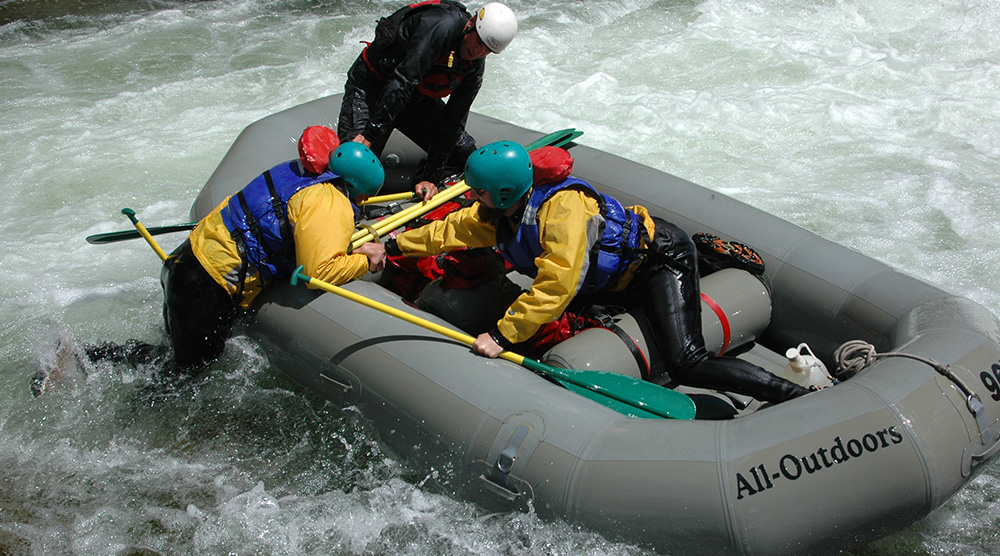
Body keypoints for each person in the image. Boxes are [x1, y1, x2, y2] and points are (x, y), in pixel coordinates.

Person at [361, 142, 809, 403]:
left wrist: (501, 336)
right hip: (609, 277)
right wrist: (393, 244)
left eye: (476, 189)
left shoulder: (563, 212)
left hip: (658, 262)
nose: (470, 196)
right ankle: (709, 262)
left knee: (686, 360)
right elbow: (452, 231)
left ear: (501, 190)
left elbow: (557, 283)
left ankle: (791, 395)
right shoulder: (498, 208)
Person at [88, 143, 387, 375]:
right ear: (359, 191)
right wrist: (365, 259)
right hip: (207, 286)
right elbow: (319, 272)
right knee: (180, 377)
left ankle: (90, 358)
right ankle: (121, 406)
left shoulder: (302, 173)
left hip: (185, 262)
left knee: (171, 357)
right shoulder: (331, 202)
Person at [338, 1, 517, 201]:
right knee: (353, 163)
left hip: (414, 99)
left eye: (487, 50)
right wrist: (369, 135)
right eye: (479, 42)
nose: (479, 52)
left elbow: (454, 119)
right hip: (373, 88)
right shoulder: (441, 27)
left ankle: (419, 187)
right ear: (472, 23)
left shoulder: (474, 65)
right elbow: (403, 79)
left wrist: (432, 176)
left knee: (463, 154)